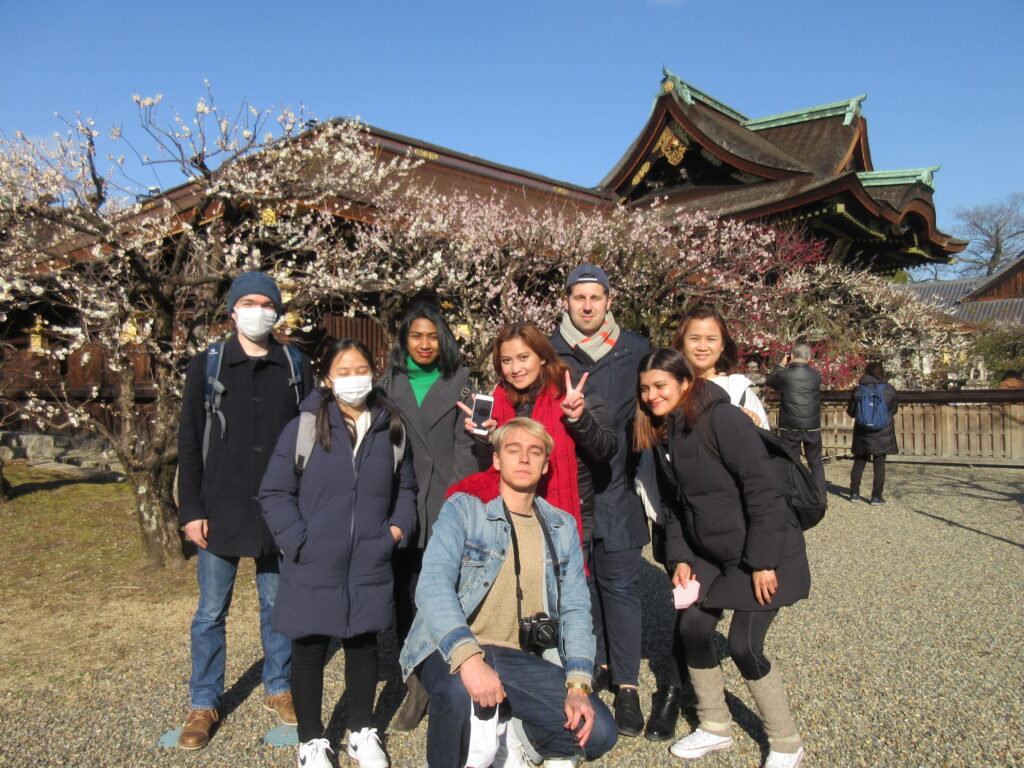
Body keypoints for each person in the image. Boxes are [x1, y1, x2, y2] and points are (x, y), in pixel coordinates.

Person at [399, 417, 619, 768]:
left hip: (518, 656)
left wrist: (578, 685)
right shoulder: (463, 510)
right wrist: (468, 658)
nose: (524, 459)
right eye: (513, 450)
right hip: (450, 646)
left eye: (535, 453)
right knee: (458, 693)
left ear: (546, 465)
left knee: (600, 733)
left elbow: (577, 608)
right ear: (497, 459)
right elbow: (432, 584)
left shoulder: (562, 527)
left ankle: (517, 733)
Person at [636, 348, 809, 768]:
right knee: (693, 628)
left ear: (685, 383)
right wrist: (679, 557)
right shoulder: (663, 433)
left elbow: (764, 490)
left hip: (766, 550)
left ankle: (786, 741)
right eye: (645, 389)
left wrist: (763, 561)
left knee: (744, 645)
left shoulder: (723, 419)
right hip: (711, 552)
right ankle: (715, 725)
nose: (652, 396)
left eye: (661, 386)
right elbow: (676, 506)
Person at [258, 338, 418, 768]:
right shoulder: (306, 427)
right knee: (309, 649)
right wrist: (298, 541)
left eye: (361, 368)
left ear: (375, 371)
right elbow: (274, 491)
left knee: (363, 646)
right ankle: (311, 741)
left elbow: (406, 488)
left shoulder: (391, 426)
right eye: (343, 371)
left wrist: (396, 533)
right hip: (313, 560)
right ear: (327, 378)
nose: (353, 378)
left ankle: (362, 732)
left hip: (370, 558)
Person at [176, 270, 312, 750]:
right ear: (233, 309)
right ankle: (204, 699)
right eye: (249, 301)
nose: (259, 310)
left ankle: (279, 686)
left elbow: (313, 439)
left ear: (277, 310)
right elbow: (190, 442)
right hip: (220, 506)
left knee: (278, 605)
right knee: (211, 610)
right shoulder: (208, 366)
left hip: (279, 507)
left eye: (266, 302)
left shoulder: (295, 364)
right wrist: (190, 508)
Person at [548, 263, 652, 737]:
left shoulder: (634, 350)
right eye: (578, 298)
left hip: (619, 486)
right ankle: (599, 665)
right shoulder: (550, 351)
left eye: (595, 297)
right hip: (568, 486)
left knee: (621, 588)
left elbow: (654, 408)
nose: (587, 306)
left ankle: (628, 687)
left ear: (609, 301)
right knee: (582, 588)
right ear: (566, 301)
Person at [379, 303, 478, 730]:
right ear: (404, 340)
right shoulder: (386, 383)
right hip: (397, 500)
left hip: (443, 498)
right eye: (416, 336)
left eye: (432, 336)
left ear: (444, 339)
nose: (424, 344)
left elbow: (465, 448)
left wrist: (457, 501)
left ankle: (444, 677)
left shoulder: (460, 381)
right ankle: (415, 681)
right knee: (402, 593)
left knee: (440, 591)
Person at [458, 322, 616, 556]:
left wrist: (578, 419)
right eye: (506, 360)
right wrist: (488, 438)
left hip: (565, 516)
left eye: (523, 357)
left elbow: (605, 450)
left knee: (567, 590)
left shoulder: (569, 392)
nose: (515, 368)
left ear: (542, 357)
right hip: (512, 517)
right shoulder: (499, 400)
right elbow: (488, 470)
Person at [673, 305, 769, 428]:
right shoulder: (671, 388)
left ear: (723, 344)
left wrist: (753, 427)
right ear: (682, 342)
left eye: (711, 339)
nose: (702, 347)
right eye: (694, 338)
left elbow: (764, 443)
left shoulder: (738, 391)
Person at [766, 344, 826, 498]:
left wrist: (781, 364)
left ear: (791, 356)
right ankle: (820, 497)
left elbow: (770, 381)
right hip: (812, 425)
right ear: (810, 358)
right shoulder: (816, 376)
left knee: (791, 462)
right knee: (816, 463)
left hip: (790, 425)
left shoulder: (785, 375)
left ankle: (793, 496)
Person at [847, 361, 899, 505]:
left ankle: (854, 493)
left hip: (862, 431)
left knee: (859, 462)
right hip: (883, 431)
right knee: (879, 464)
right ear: (881, 373)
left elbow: (851, 412)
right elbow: (894, 409)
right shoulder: (888, 390)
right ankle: (876, 496)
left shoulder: (858, 390)